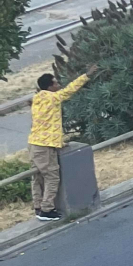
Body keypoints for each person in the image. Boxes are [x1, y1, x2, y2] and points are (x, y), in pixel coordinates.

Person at [29, 67, 96, 221]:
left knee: (37, 178)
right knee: (52, 177)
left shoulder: (37, 98)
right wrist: (86, 76)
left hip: (34, 143)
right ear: (50, 87)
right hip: (45, 146)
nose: (58, 85)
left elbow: (46, 123)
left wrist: (58, 142)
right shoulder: (52, 98)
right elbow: (70, 90)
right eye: (56, 83)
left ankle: (38, 207)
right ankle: (47, 210)